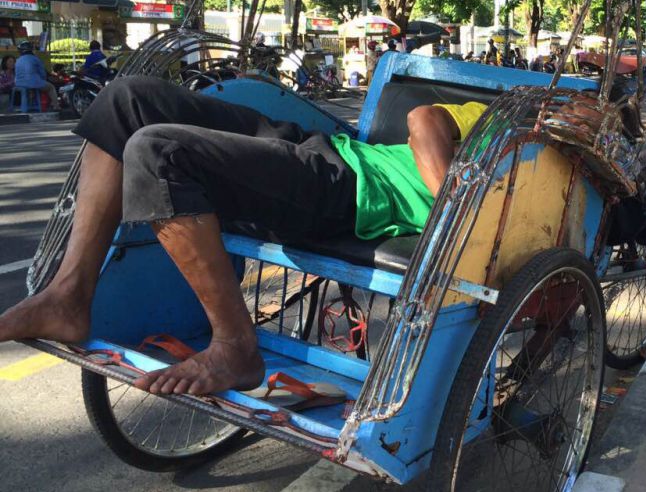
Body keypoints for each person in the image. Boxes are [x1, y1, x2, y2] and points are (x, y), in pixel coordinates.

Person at [0, 75, 488, 396]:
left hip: (342, 195)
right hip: (330, 155)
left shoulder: (543, 189)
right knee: (123, 99)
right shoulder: (505, 126)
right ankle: (69, 295)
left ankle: (236, 346)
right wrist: (456, 202)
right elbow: (424, 121)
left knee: (158, 154)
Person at [14, 41, 58, 109]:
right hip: (32, 82)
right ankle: (56, 106)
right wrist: (43, 80)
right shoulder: (35, 59)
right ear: (31, 50)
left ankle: (30, 105)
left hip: (18, 83)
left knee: (33, 87)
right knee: (51, 87)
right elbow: (42, 73)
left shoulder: (18, 60)